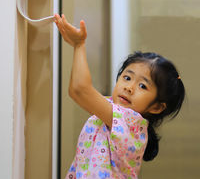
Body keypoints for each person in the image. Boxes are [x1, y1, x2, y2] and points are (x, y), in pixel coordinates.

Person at [54, 14, 185, 179]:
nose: (129, 88)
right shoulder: (112, 109)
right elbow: (76, 91)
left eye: (142, 86)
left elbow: (80, 89)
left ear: (156, 107)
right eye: (127, 77)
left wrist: (79, 45)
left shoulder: (131, 123)